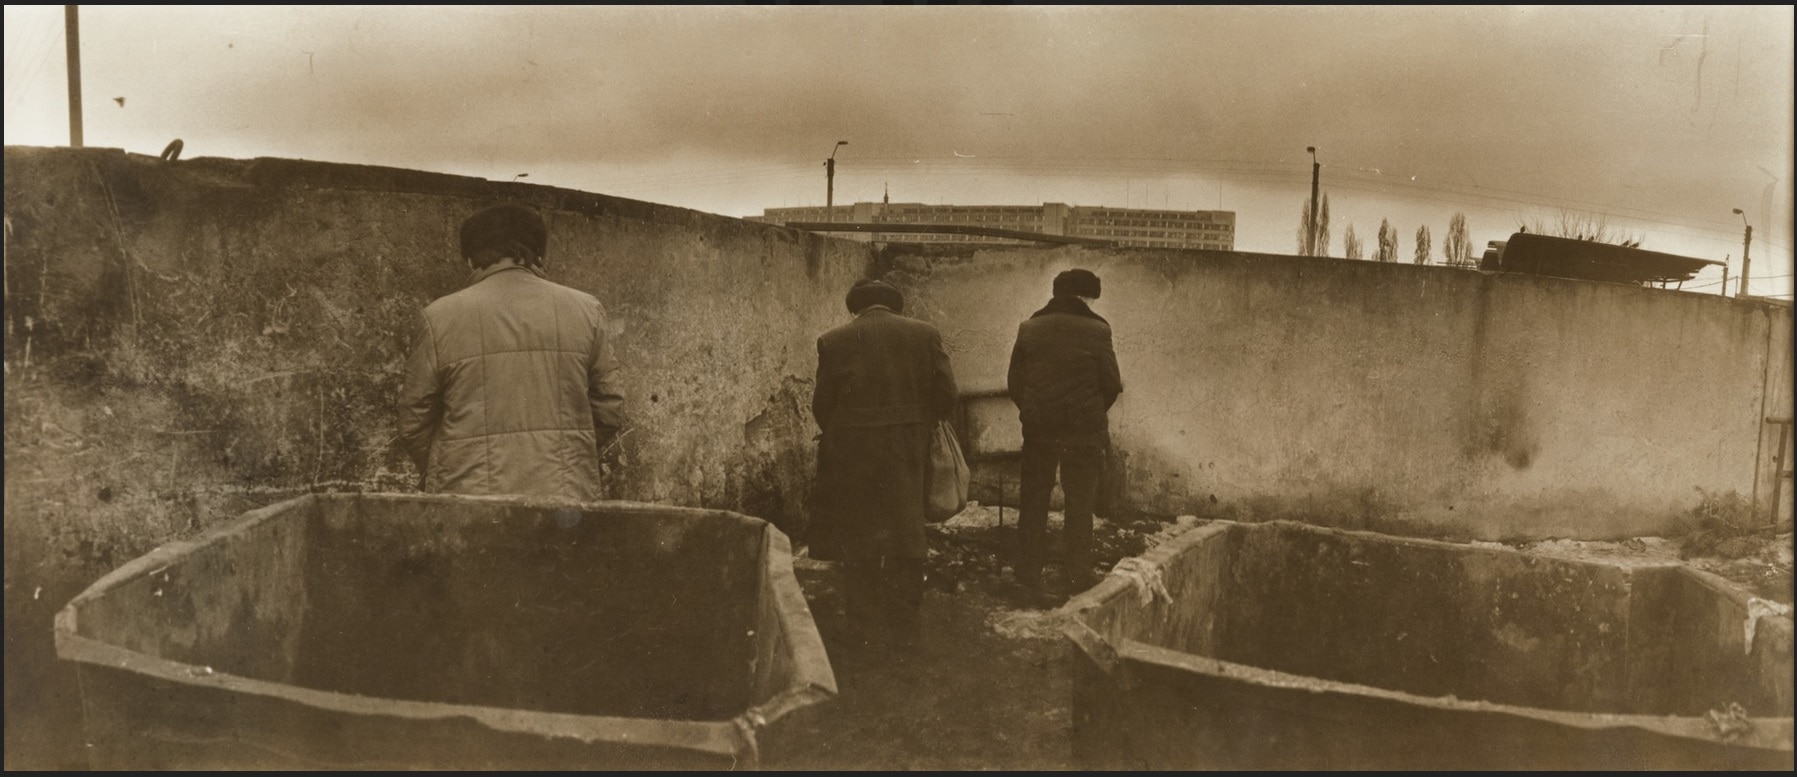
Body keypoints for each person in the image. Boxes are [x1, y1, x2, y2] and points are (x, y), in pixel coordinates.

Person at [396, 204, 626, 502]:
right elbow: (609, 407)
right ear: (539, 254)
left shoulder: (437, 317)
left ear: (470, 258)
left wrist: (451, 466)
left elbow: (414, 421)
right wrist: (569, 452)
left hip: (468, 501)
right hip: (565, 498)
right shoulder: (587, 311)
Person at [810, 279, 958, 651]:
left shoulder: (833, 340)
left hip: (853, 450)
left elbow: (822, 406)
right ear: (894, 304)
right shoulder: (924, 334)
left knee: (859, 529)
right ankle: (905, 624)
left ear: (855, 307)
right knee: (906, 529)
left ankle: (861, 623)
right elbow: (947, 395)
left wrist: (849, 432)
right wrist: (919, 424)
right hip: (907, 447)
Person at [1006, 268, 1122, 599]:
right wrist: (1092, 413)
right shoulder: (1098, 330)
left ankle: (1027, 575)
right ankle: (1077, 576)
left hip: (1039, 431)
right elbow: (1111, 384)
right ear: (1085, 297)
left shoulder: (1029, 327)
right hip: (1083, 433)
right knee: (1080, 503)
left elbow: (1015, 382)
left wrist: (1033, 411)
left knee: (1033, 501)